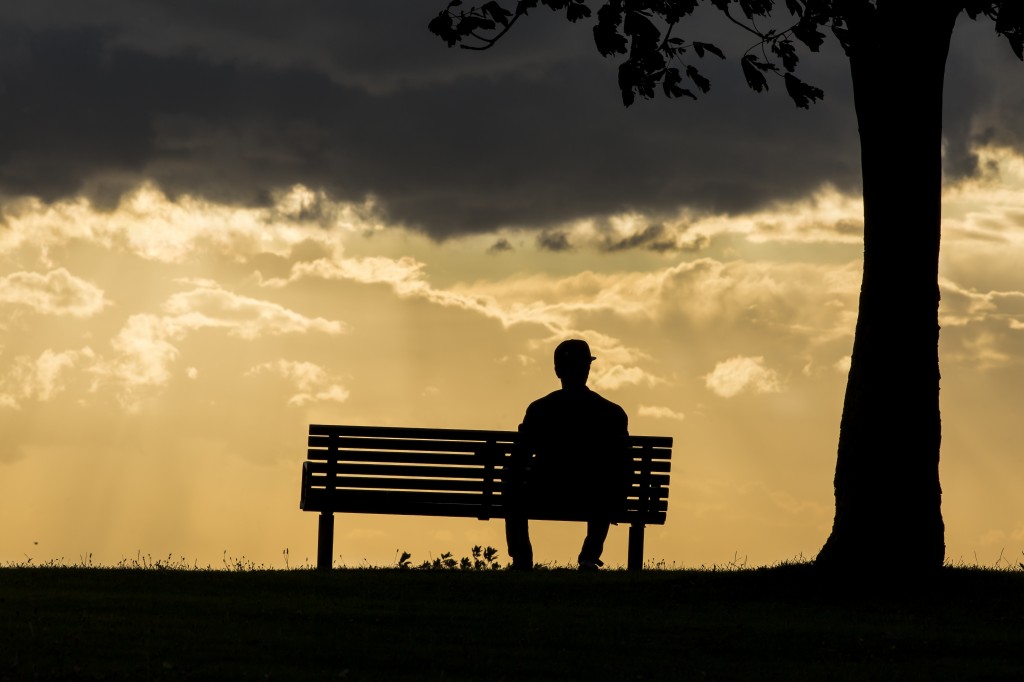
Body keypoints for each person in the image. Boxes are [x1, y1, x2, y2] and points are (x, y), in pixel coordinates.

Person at [504, 338, 630, 571]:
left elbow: (518, 459)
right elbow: (623, 465)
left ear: (557, 371)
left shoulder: (539, 409)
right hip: (592, 494)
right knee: (605, 485)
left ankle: (522, 558)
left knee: (512, 489)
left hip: (544, 490)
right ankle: (589, 557)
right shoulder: (611, 412)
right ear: (588, 368)